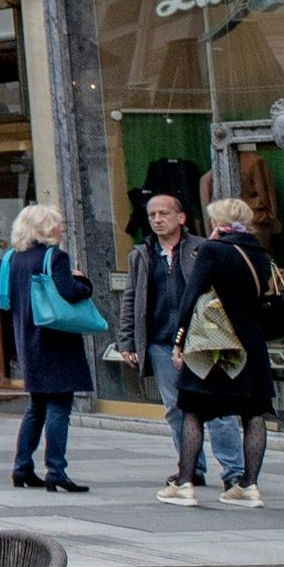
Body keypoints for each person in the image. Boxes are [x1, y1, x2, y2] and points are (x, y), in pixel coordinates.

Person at [174, 195, 283, 507]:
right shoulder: (259, 250)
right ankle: (248, 485)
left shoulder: (212, 250)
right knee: (253, 413)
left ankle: (184, 483)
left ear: (217, 221)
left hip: (216, 345)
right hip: (251, 344)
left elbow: (190, 296)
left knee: (193, 409)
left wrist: (179, 340)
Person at [118, 191, 213, 502]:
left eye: (164, 214)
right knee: (176, 408)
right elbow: (130, 299)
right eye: (152, 215)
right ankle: (191, 466)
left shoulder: (201, 249)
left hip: (200, 341)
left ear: (181, 217)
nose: (157, 220)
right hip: (159, 341)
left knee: (219, 407)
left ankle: (234, 469)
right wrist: (127, 340)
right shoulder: (142, 254)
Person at [0, 204, 94, 493]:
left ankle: (22, 467)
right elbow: (70, 292)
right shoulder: (55, 257)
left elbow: (7, 299)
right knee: (60, 406)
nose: (62, 228)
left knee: (36, 406)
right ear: (47, 228)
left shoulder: (12, 258)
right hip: (55, 340)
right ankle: (56, 471)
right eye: (58, 224)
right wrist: (83, 280)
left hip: (27, 338)